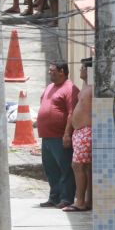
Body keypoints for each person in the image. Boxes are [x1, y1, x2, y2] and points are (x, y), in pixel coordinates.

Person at [38, 61, 80, 209]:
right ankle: (54, 197)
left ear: (62, 71)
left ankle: (66, 198)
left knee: (65, 169)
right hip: (46, 137)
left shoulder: (70, 89)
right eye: (49, 70)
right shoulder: (50, 87)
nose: (50, 73)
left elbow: (72, 113)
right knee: (51, 169)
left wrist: (67, 134)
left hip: (60, 137)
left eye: (52, 71)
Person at [64, 57, 92, 212]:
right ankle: (86, 200)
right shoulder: (86, 86)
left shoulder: (92, 88)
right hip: (80, 132)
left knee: (77, 165)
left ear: (89, 70)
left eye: (82, 67)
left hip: (86, 131)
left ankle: (80, 201)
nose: (80, 70)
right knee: (84, 167)